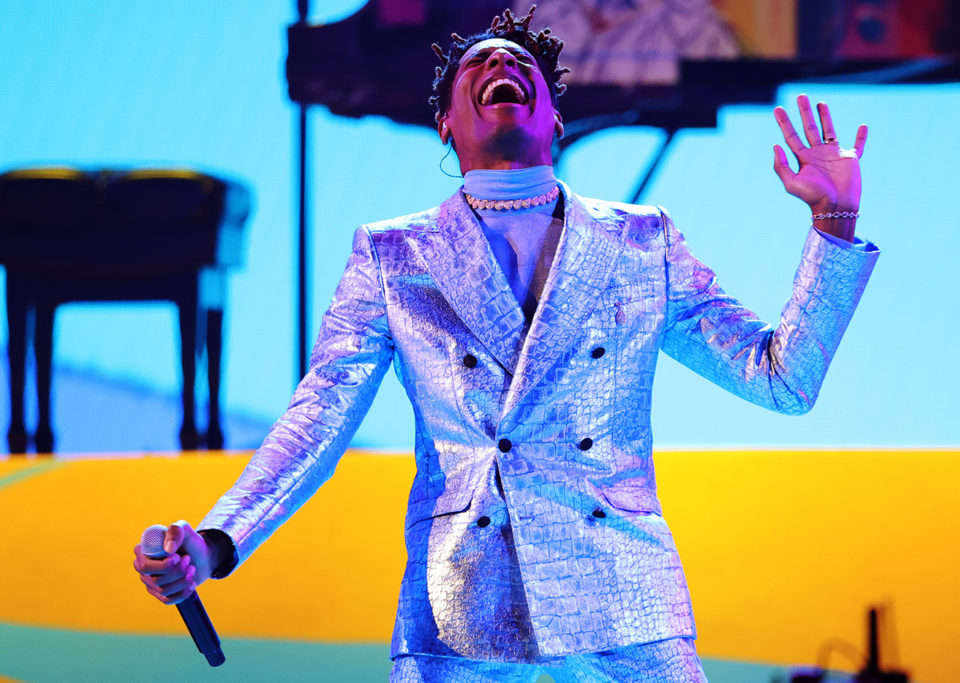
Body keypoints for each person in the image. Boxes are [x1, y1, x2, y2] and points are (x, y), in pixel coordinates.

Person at [134, 7, 877, 681]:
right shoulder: (393, 255)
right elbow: (319, 417)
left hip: (619, 586)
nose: (502, 65)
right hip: (460, 597)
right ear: (447, 129)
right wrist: (215, 539)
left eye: (521, 63)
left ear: (555, 121)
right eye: (478, 65)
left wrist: (833, 227)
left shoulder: (641, 240)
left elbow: (783, 380)